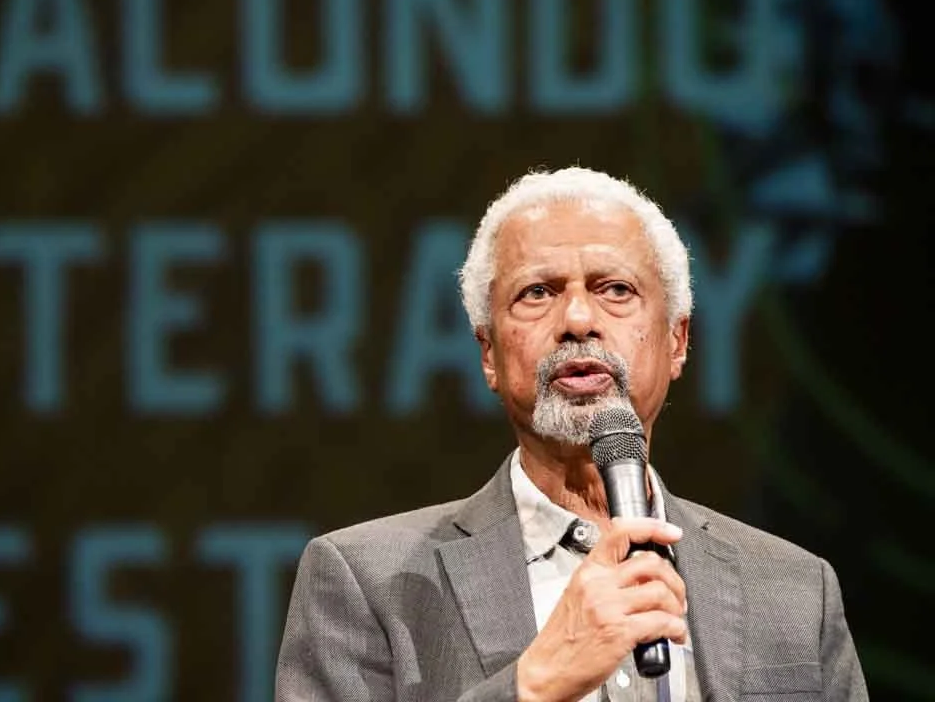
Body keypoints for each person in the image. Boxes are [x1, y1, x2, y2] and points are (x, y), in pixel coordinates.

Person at [275, 166, 868, 701]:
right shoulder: (369, 583)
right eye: (538, 293)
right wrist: (535, 684)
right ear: (488, 352)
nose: (578, 321)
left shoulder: (795, 591)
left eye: (616, 290)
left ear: (677, 339)